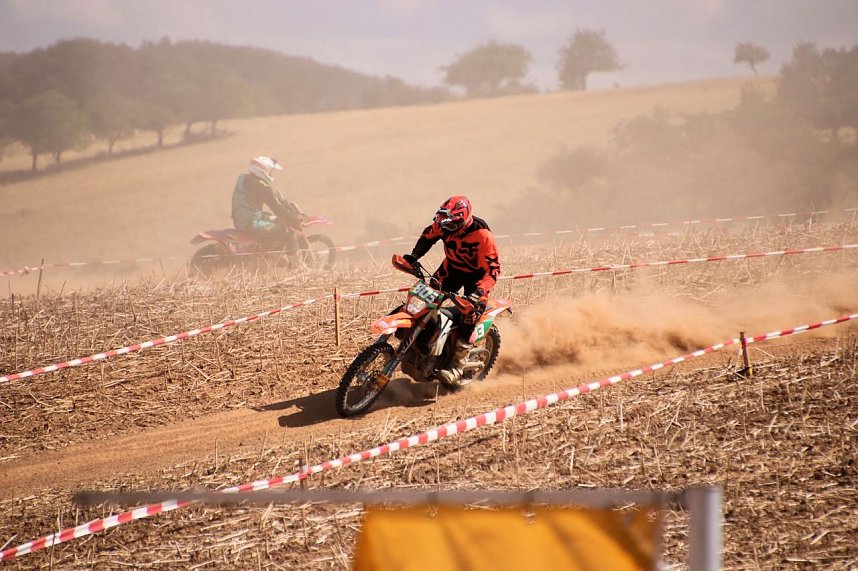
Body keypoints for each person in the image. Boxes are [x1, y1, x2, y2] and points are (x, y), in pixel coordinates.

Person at [403, 195, 501, 384]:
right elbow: (427, 236)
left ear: (463, 221)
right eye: (444, 223)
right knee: (425, 298)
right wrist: (414, 256)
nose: (446, 229)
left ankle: (457, 364)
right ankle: (422, 345)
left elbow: (493, 270)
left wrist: (479, 291)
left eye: (451, 225)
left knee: (470, 313)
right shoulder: (443, 224)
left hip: (477, 277)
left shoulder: (482, 235)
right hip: (452, 270)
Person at [231, 155, 304, 263]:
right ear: (262, 170)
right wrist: (292, 219)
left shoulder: (243, 178)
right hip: (251, 223)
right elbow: (276, 208)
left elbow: (272, 199)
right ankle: (298, 268)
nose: (271, 174)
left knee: (271, 219)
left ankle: (270, 255)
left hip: (240, 220)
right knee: (288, 232)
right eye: (270, 171)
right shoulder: (262, 186)